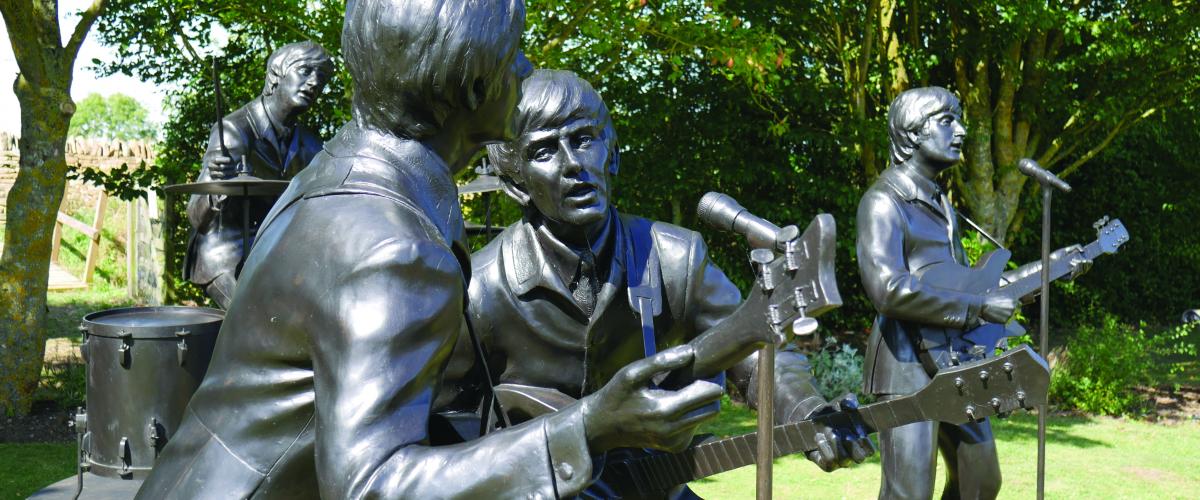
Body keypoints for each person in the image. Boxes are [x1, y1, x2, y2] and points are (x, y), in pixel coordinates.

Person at [137, 2, 725, 499]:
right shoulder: (392, 248)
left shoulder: (340, 172)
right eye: (515, 54)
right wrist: (590, 426)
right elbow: (372, 485)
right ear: (475, 87)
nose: (526, 68)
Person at [436, 69, 872, 498]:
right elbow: (444, 426)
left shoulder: (675, 257)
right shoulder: (480, 289)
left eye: (584, 139)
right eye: (545, 151)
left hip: (655, 488)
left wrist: (806, 411)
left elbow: (758, 350)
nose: (574, 165)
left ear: (613, 153)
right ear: (516, 185)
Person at [856, 87, 1086, 499]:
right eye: (947, 121)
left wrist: (1051, 267)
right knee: (908, 492)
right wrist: (977, 307)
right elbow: (888, 290)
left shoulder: (943, 205)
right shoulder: (883, 201)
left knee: (980, 480)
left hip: (951, 360)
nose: (961, 131)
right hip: (904, 367)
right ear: (911, 133)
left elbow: (970, 284)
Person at [184, 41, 333, 309]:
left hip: (274, 252)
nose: (314, 83)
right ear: (276, 76)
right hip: (226, 255)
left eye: (320, 78)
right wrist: (215, 186)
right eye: (305, 71)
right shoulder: (233, 130)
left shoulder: (310, 145)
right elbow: (196, 216)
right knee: (257, 320)